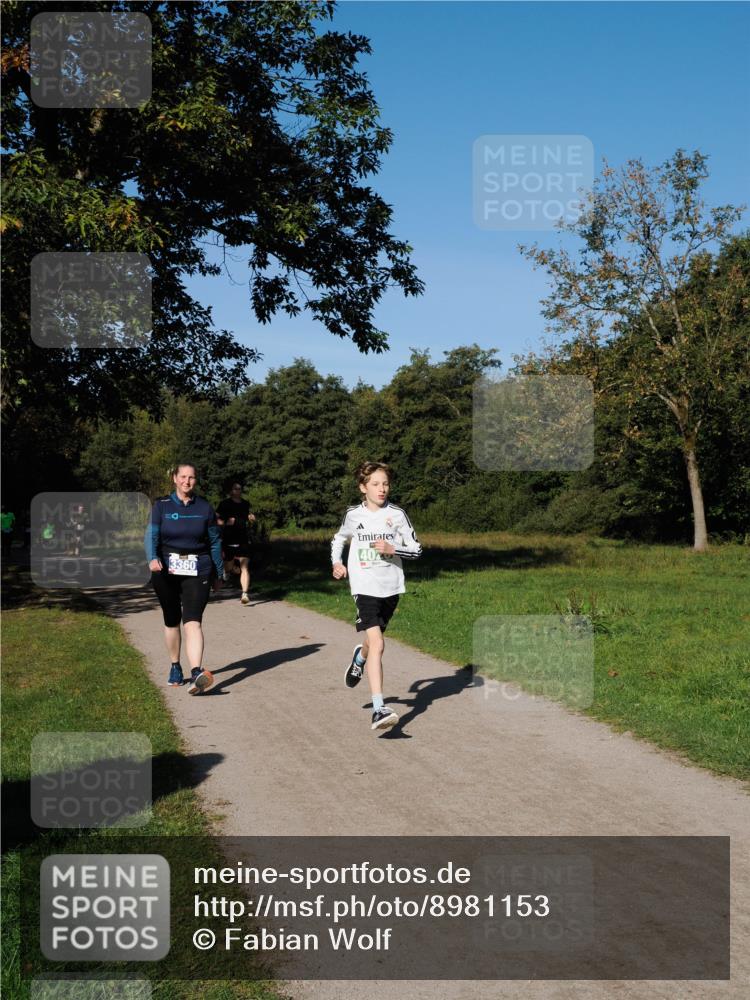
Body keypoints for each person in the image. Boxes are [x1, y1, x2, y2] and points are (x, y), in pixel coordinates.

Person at [331, 462, 423, 732]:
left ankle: (360, 657)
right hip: (364, 586)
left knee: (372, 643)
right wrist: (337, 562)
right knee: (379, 643)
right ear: (363, 487)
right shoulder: (353, 515)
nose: (382, 489)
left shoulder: (397, 514)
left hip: (391, 588)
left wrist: (393, 549)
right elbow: (339, 539)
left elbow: (417, 550)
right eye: (375, 484)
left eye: (385, 484)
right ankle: (378, 708)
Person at [144, 462, 223, 693]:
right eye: (183, 477)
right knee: (172, 619)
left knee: (193, 621)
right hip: (166, 569)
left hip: (198, 569)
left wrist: (219, 572)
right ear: (175, 479)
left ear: (195, 481)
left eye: (192, 478)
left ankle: (197, 672)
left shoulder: (205, 507)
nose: (187, 481)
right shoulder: (161, 506)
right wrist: (152, 558)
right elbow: (152, 535)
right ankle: (175, 666)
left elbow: (215, 542)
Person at [216, 479, 256, 605]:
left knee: (245, 566)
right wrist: (225, 523)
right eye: (235, 488)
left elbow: (248, 516)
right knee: (228, 565)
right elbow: (215, 519)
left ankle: (244, 594)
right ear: (231, 491)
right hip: (229, 538)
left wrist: (251, 518)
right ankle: (228, 571)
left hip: (243, 538)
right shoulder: (224, 504)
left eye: (239, 488)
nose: (238, 491)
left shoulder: (245, 504)